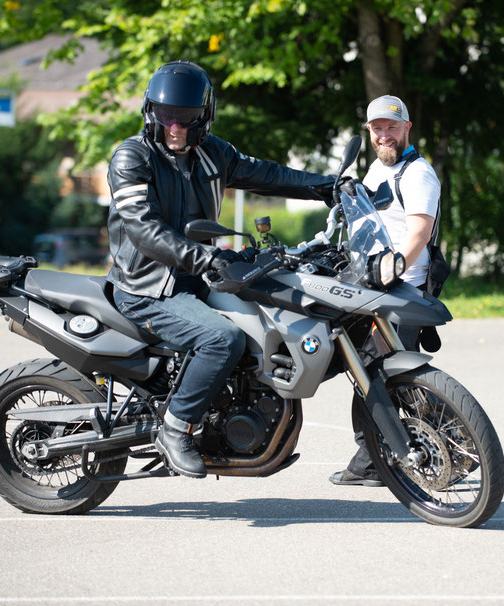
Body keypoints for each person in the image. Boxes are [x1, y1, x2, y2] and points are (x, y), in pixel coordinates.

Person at [107, 60, 336, 478]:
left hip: (197, 279)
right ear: (150, 111)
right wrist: (209, 257)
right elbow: (144, 229)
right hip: (147, 288)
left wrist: (325, 186)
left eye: (187, 118)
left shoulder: (214, 153)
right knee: (222, 340)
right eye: (166, 115)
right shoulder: (131, 157)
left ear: (203, 118)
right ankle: (175, 429)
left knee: (267, 313)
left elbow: (269, 174)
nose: (175, 127)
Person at [329, 94, 442, 487]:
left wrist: (391, 272)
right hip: (371, 290)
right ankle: (388, 454)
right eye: (377, 128)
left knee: (377, 377)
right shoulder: (377, 171)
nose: (384, 135)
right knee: (369, 372)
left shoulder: (416, 174)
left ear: (407, 128)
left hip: (399, 290)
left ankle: (374, 462)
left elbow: (418, 232)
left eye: (391, 127)